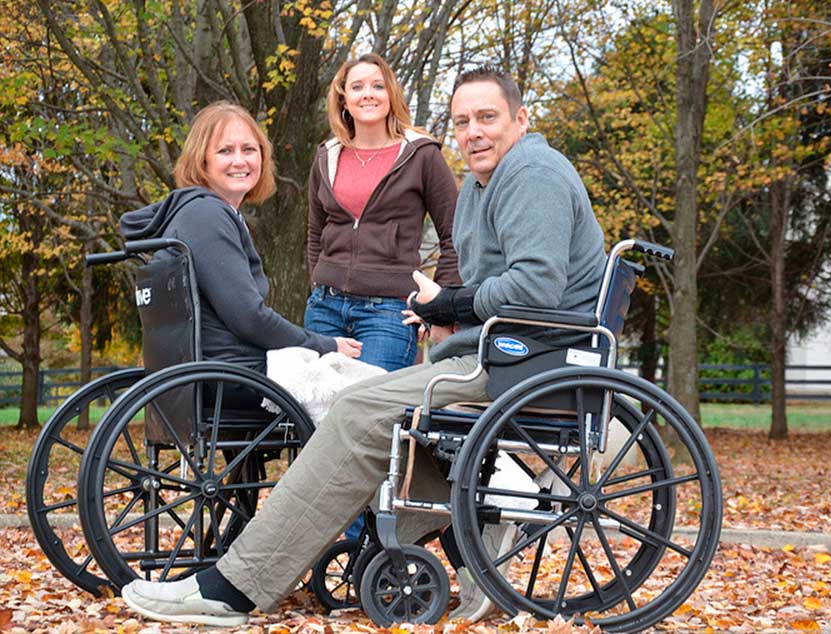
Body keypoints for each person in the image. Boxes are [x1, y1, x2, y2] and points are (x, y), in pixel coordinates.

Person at [119, 66, 607, 628]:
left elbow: (533, 287)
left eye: (487, 118)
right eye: (462, 121)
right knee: (377, 408)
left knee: (355, 410)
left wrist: (445, 304)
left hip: (529, 363)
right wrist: (446, 307)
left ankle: (236, 586)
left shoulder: (532, 174)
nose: (473, 131)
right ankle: (477, 533)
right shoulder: (485, 182)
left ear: (521, 118)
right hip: (502, 355)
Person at [304, 52, 460, 540]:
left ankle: (366, 547)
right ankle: (324, 541)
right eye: (357, 86)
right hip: (325, 308)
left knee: (375, 429)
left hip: (389, 311)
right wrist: (319, 279)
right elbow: (314, 231)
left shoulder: (422, 155)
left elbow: (456, 236)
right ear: (343, 97)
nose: (367, 94)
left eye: (377, 85)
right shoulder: (327, 155)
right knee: (316, 426)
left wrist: (438, 308)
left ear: (390, 93)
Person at [120, 101, 362, 373]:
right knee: (363, 391)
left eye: (249, 149)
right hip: (230, 373)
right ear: (202, 161)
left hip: (220, 368)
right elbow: (249, 318)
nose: (240, 161)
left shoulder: (206, 213)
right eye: (225, 151)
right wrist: (326, 345)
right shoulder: (206, 216)